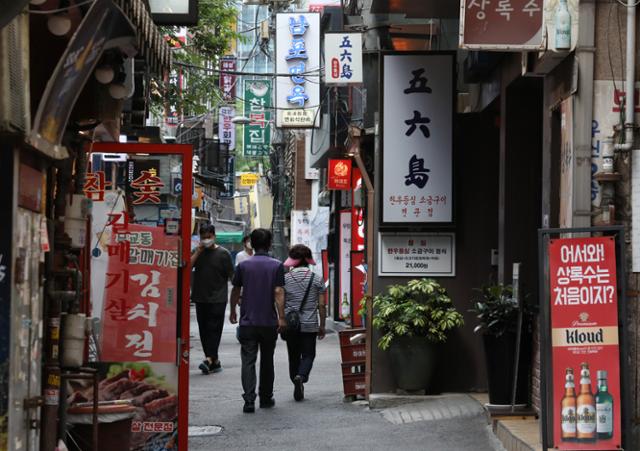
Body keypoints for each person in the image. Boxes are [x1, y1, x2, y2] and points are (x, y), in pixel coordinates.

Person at [229, 228, 286, 413]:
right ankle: (266, 398)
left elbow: (236, 290)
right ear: (269, 244)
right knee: (267, 360)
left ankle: (249, 400)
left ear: (251, 244)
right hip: (268, 322)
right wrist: (282, 317)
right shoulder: (277, 265)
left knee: (248, 360)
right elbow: (278, 292)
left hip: (248, 322)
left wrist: (232, 311)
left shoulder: (243, 266)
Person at [282, 244, 327, 401]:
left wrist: (280, 318)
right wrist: (322, 326)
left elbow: (280, 301)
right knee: (308, 354)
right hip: (309, 324)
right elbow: (321, 305)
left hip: (290, 324)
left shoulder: (285, 279)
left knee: (293, 355)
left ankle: (295, 378)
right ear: (308, 260)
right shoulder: (317, 279)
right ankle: (301, 376)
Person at [191, 224, 234, 375]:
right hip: (200, 297)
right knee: (204, 330)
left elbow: (232, 275)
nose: (206, 240)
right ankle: (214, 361)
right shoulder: (197, 252)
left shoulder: (224, 253)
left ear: (214, 236)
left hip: (218, 297)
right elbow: (187, 266)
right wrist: (198, 251)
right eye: (203, 237)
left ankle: (209, 359)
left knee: (214, 329)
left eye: (208, 237)